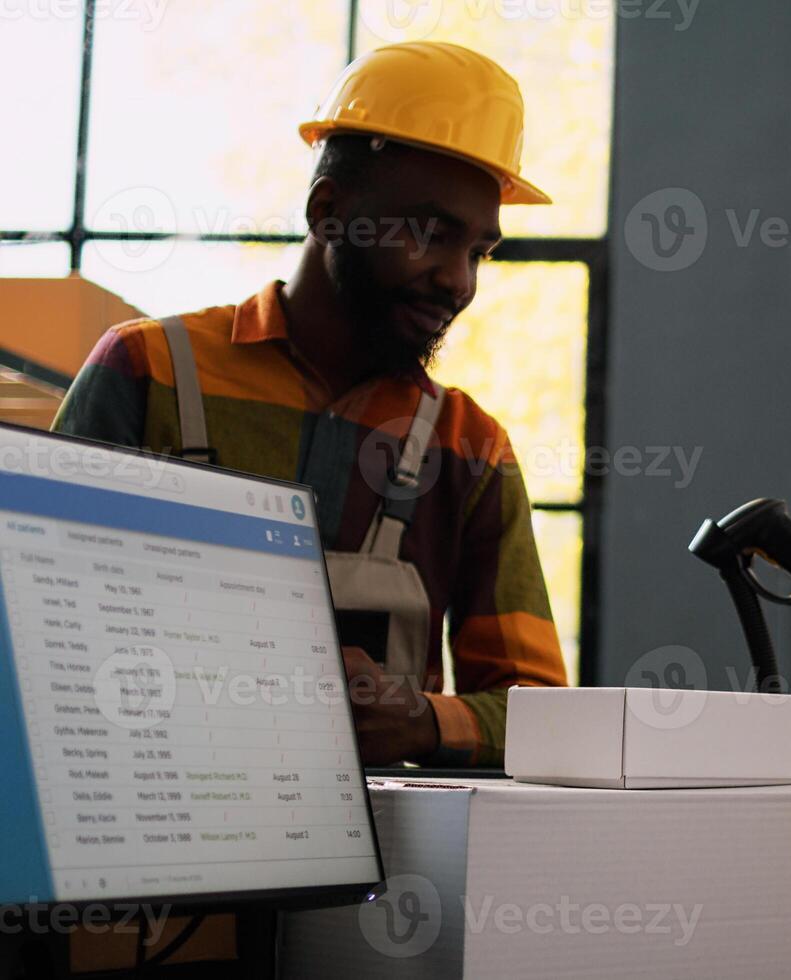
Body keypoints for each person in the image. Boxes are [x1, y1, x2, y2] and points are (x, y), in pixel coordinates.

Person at [52, 41, 567, 767]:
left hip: (389, 865)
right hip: (149, 824)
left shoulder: (469, 447)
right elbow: (38, 628)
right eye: (430, 234)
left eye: (480, 251)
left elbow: (542, 713)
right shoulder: (149, 372)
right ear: (329, 212)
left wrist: (421, 721)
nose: (459, 281)